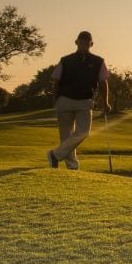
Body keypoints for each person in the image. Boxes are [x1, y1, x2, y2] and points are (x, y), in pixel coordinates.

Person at [48, 31, 111, 169]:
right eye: (81, 42)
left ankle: (55, 155)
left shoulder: (98, 61)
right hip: (65, 100)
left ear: (91, 44)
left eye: (87, 43)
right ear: (76, 42)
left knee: (83, 132)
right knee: (66, 136)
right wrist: (55, 101)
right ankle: (72, 166)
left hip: (85, 101)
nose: (84, 45)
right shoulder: (65, 60)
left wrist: (105, 102)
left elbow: (103, 83)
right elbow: (56, 82)